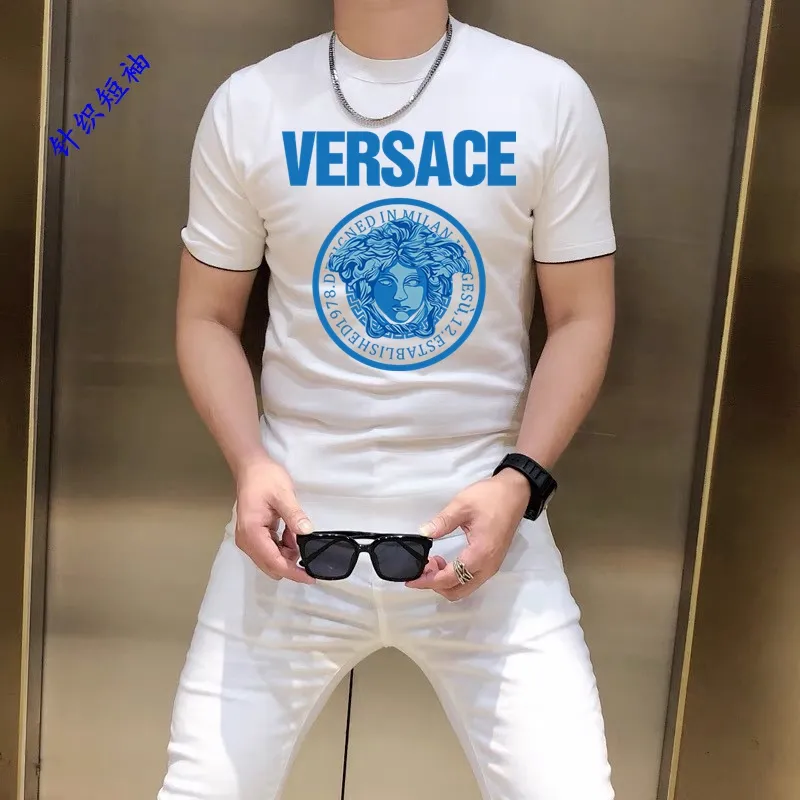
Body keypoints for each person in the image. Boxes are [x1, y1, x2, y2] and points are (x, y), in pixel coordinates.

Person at [158, 0, 617, 797]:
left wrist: (521, 481)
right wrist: (248, 463)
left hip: (489, 545)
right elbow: (207, 318)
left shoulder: (545, 96)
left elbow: (581, 316)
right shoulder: (251, 103)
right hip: (289, 548)